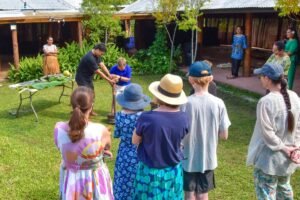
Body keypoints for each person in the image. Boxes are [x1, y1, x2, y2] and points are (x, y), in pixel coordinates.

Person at [247, 63, 300, 200]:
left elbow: (267, 133)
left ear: (268, 78)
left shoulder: (266, 101)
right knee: (284, 189)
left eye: (261, 76)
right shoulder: (294, 96)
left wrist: (286, 148)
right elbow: (298, 126)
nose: (260, 79)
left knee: (267, 193)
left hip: (269, 160)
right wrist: (295, 147)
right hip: (287, 159)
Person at [132, 74, 189, 199]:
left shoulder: (146, 118)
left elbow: (135, 141)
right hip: (173, 171)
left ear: (159, 96)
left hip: (149, 172)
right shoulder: (184, 118)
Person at [181, 61, 231, 200]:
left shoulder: (184, 102)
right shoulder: (219, 103)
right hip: (207, 157)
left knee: (189, 193)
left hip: (187, 157)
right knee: (203, 193)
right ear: (211, 79)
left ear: (191, 80)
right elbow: (224, 135)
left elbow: (179, 132)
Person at [54, 86, 114, 200]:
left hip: (72, 179)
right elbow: (107, 146)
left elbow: (60, 147)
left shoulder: (58, 128)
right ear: (91, 106)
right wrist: (103, 150)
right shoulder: (100, 130)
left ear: (72, 105)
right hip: (95, 179)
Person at [113, 83, 151, 199]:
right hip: (140, 153)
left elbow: (117, 134)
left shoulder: (119, 116)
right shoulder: (144, 117)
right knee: (138, 179)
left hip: (124, 152)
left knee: (123, 178)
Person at [75, 43, 115, 116]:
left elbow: (102, 65)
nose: (101, 55)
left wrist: (109, 75)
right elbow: (98, 72)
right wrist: (109, 80)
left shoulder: (97, 55)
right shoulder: (89, 58)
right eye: (101, 53)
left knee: (92, 95)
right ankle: (81, 112)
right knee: (86, 96)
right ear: (97, 50)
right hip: (82, 78)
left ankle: (90, 111)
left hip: (88, 78)